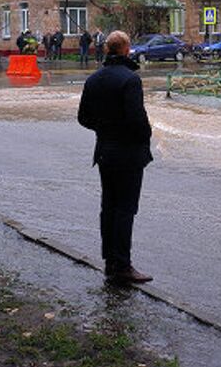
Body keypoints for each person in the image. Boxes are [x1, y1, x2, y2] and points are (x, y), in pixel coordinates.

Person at [77, 31, 153, 284]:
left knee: (108, 207)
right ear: (126, 49)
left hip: (105, 153)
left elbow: (83, 118)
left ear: (108, 49)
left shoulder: (93, 79)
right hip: (128, 154)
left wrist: (105, 128)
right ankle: (123, 265)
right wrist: (145, 137)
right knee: (125, 210)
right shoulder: (130, 79)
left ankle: (110, 262)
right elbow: (137, 119)